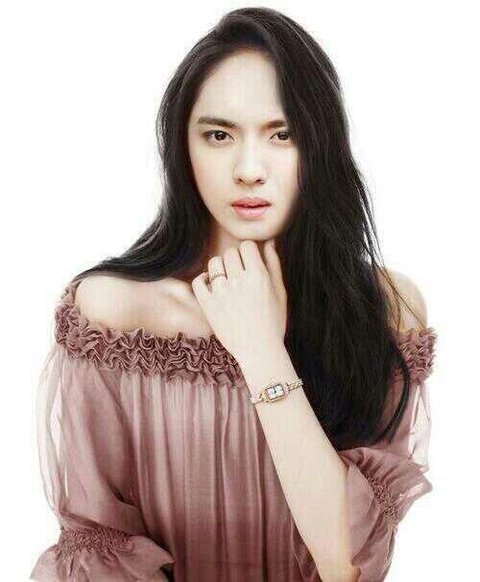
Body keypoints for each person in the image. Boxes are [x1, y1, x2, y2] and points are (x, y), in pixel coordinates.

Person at [30, 7, 437, 581]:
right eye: (219, 135)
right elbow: (98, 556)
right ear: (183, 148)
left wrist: (261, 350)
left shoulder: (385, 309)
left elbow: (347, 563)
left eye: (282, 134)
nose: (249, 169)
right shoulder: (115, 313)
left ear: (320, 145)